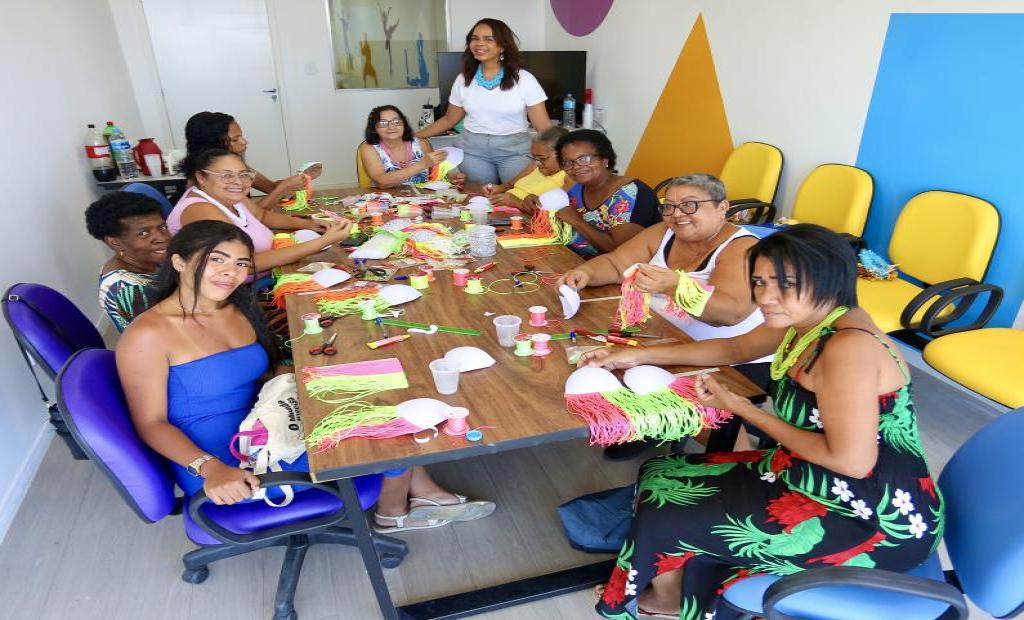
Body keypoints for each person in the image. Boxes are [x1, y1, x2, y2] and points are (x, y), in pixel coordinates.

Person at [580, 225, 944, 620]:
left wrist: (743, 407)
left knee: (670, 511)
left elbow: (850, 462)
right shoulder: (811, 321)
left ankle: (686, 598)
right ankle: (673, 596)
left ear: (829, 279)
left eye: (785, 283)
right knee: (661, 473)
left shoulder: (848, 347)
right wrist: (638, 358)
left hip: (868, 515)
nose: (766, 297)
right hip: (811, 476)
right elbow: (737, 346)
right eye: (760, 282)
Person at [118, 220, 495, 531]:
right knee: (392, 438)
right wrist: (209, 467)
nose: (230, 273)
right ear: (180, 262)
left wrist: (303, 374)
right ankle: (392, 514)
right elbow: (151, 423)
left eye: (241, 264)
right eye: (217, 260)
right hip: (223, 461)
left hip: (270, 421)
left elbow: (260, 373)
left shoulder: (232, 308)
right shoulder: (149, 334)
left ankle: (421, 488)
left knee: (388, 390)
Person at [561, 173, 768, 460]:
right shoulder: (664, 232)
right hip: (669, 335)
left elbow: (729, 314)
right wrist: (586, 273)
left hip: (731, 353)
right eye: (668, 206)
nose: (676, 214)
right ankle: (654, 426)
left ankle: (736, 466)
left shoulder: (741, 248)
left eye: (690, 205)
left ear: (722, 208)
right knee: (607, 363)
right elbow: (616, 262)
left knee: (690, 393)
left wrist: (676, 286)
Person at [168, 149, 351, 274]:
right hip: (240, 291)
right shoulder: (199, 209)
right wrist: (324, 241)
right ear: (201, 177)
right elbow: (243, 264)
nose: (238, 182)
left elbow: (262, 215)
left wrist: (309, 224)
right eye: (226, 176)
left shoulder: (229, 196)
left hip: (266, 273)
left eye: (244, 175)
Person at [415, 18, 551, 184]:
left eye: (488, 39)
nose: (479, 43)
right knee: (478, 197)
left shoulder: (524, 79)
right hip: (473, 149)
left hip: (514, 150)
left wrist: (558, 150)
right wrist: (414, 136)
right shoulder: (463, 79)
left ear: (503, 45)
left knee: (517, 195)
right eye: (474, 38)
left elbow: (542, 126)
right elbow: (450, 119)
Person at [554, 129, 660, 256]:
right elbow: (557, 212)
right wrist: (534, 203)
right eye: (568, 162)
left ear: (605, 160)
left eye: (584, 159)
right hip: (571, 258)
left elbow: (622, 251)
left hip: (620, 270)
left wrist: (577, 221)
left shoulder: (631, 194)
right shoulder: (578, 187)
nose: (575, 166)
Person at [179, 111, 318, 208]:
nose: (245, 142)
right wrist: (284, 188)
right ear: (213, 144)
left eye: (241, 136)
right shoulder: (207, 178)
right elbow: (249, 215)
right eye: (235, 139)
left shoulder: (236, 165)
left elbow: (270, 187)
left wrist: (304, 177)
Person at [85, 191, 172, 332]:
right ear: (115, 243)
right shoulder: (131, 291)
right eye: (143, 233)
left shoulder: (143, 260)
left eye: (162, 227)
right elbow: (170, 334)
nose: (163, 238)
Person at [358, 105, 465, 188]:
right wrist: (422, 164)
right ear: (374, 128)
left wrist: (450, 177)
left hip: (423, 199)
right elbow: (382, 182)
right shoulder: (369, 148)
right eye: (383, 123)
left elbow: (434, 173)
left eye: (396, 121)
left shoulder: (421, 143)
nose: (391, 127)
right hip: (387, 202)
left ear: (404, 124)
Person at [481, 125, 571, 211]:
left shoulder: (569, 178)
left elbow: (552, 215)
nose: (537, 163)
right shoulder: (535, 166)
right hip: (502, 211)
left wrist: (518, 203)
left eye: (542, 159)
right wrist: (498, 188)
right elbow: (509, 185)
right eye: (534, 157)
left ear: (563, 154)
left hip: (525, 221)